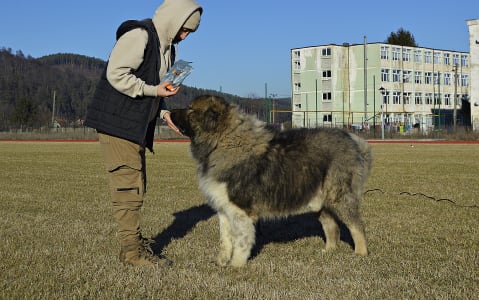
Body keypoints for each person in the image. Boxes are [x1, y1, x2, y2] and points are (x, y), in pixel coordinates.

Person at [84, 0, 202, 267]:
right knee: (128, 189)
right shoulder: (139, 36)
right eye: (184, 30)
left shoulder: (168, 49)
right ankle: (133, 254)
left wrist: (164, 113)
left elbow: (154, 88)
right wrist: (154, 91)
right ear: (174, 20)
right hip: (117, 124)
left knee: (136, 186)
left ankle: (132, 248)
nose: (185, 37)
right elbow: (116, 75)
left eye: (189, 33)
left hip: (134, 126)